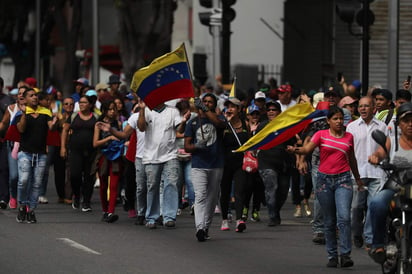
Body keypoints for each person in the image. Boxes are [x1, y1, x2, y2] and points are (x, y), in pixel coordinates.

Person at [287, 106, 363, 268]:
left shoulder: (349, 137)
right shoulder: (320, 135)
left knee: (344, 217)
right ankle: (332, 255)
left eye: (341, 118)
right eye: (335, 119)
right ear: (328, 121)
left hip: (343, 180)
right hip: (324, 181)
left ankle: (345, 254)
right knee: (329, 220)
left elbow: (352, 159)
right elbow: (307, 149)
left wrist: (358, 179)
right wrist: (294, 150)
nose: (339, 121)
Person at [368, 102, 412, 264]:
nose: (410, 124)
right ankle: (378, 245)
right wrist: (376, 157)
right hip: (396, 186)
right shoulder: (392, 140)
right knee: (377, 203)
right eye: (406, 120)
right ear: (399, 123)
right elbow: (380, 152)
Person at [137, 100, 190, 229]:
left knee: (171, 183)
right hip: (151, 156)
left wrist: (183, 121)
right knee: (152, 186)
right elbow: (141, 127)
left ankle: (169, 217)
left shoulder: (172, 111)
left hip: (170, 155)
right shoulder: (147, 110)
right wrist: (142, 110)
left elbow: (180, 130)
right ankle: (151, 217)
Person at [346, 96, 388, 249]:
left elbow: (386, 146)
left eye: (366, 106)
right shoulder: (351, 127)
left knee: (373, 207)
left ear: (373, 109)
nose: (363, 109)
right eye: (361, 106)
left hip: (377, 173)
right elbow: (348, 149)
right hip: (358, 174)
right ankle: (357, 233)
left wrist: (378, 156)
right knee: (356, 207)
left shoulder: (382, 126)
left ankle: (370, 238)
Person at [184, 93, 226, 241]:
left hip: (216, 164)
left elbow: (220, 125)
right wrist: (196, 146)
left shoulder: (219, 119)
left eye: (210, 102)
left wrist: (206, 111)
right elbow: (187, 146)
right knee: (200, 196)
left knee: (212, 197)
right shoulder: (193, 122)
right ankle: (200, 228)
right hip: (199, 165)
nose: (207, 104)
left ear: (214, 105)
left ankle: (206, 226)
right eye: (205, 102)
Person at [15, 88, 57, 223]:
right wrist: (23, 113)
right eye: (31, 96)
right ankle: (22, 205)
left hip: (40, 154)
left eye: (35, 95)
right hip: (25, 152)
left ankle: (31, 210)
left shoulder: (45, 111)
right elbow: (21, 129)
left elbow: (51, 127)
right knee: (24, 180)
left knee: (37, 184)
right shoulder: (22, 112)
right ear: (26, 99)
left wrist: (56, 122)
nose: (34, 97)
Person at [258, 100, 294, 226]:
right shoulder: (262, 126)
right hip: (266, 163)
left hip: (284, 164)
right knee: (271, 188)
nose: (271, 112)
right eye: (269, 110)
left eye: (274, 109)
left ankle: (275, 211)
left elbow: (293, 142)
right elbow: (254, 142)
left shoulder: (287, 126)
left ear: (279, 112)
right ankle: (272, 216)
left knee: (283, 192)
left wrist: (292, 148)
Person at [61, 95, 98, 212]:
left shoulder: (96, 117)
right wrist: (63, 147)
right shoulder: (74, 116)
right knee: (75, 175)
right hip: (75, 151)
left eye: (84, 102)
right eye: (80, 102)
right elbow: (65, 130)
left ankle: (86, 202)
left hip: (91, 152)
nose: (81, 104)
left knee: (89, 177)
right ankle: (77, 195)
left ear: (90, 105)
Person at [219, 97, 250, 232]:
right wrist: (227, 122)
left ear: (239, 109)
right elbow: (219, 142)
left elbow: (249, 142)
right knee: (225, 192)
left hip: (240, 163)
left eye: (233, 107)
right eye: (228, 107)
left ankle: (239, 220)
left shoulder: (245, 124)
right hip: (225, 162)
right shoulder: (223, 125)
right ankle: (224, 219)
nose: (229, 109)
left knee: (239, 191)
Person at [93, 100, 123, 223]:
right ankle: (105, 210)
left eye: (114, 109)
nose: (112, 111)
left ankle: (111, 212)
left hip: (116, 156)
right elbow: (95, 143)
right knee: (104, 184)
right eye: (110, 109)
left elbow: (122, 137)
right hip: (103, 156)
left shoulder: (118, 123)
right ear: (105, 111)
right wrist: (110, 137)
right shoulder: (98, 124)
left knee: (114, 185)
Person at [0, 77, 14, 208]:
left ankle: (4, 198)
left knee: (4, 168)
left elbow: (11, 121)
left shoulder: (8, 101)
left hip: (4, 140)